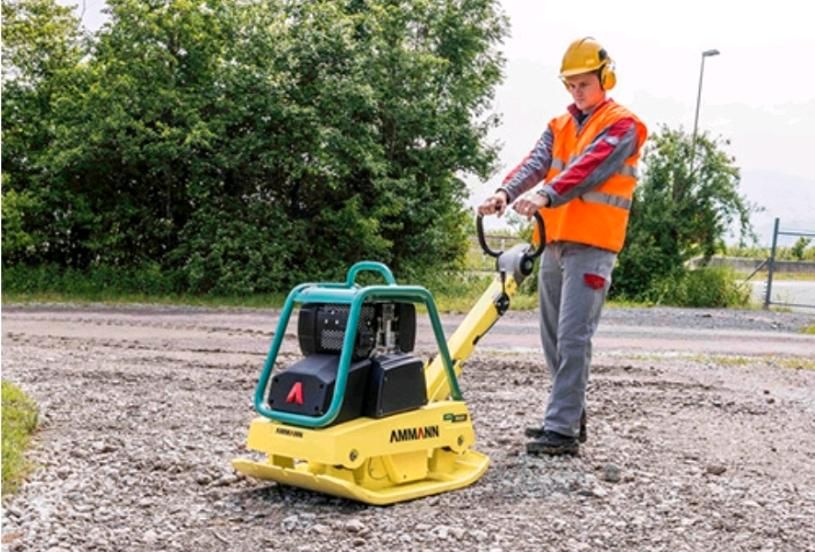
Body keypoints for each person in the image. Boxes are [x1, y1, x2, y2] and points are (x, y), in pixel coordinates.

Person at [478, 37, 648, 456]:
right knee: (553, 338)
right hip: (553, 241)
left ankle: (563, 430)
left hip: (592, 246)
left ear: (605, 78)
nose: (576, 92)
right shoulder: (558, 125)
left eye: (584, 84)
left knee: (573, 336)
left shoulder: (622, 125)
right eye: (571, 85)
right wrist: (504, 192)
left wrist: (546, 195)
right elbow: (536, 162)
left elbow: (588, 167)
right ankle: (569, 415)